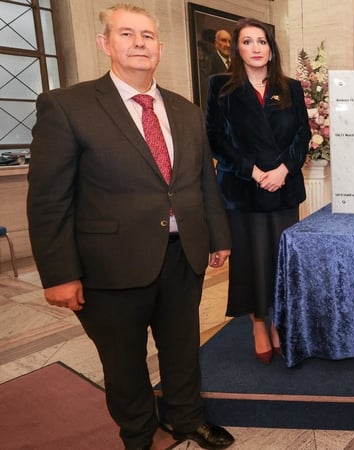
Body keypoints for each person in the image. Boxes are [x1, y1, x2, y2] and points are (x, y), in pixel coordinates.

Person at [26, 4, 234, 450]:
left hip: (183, 255)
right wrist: (60, 273)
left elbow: (203, 183)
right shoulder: (68, 106)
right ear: (105, 44)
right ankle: (140, 434)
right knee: (124, 361)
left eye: (147, 35)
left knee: (182, 350)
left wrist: (217, 237)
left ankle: (187, 419)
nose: (139, 42)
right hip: (110, 264)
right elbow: (48, 199)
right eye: (126, 34)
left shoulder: (186, 111)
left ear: (160, 48)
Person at [205, 18, 310, 365]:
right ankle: (258, 324)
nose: (255, 48)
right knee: (251, 262)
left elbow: (302, 136)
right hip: (243, 191)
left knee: (279, 261)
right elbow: (217, 138)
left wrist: (282, 170)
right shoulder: (221, 86)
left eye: (261, 42)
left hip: (282, 189)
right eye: (247, 41)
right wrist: (253, 171)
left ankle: (279, 320)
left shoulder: (290, 87)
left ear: (271, 48)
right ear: (237, 47)